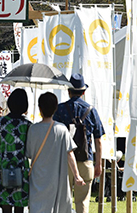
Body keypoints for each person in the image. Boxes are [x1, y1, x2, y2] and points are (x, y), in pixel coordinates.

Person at [53, 73, 105, 213]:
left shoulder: (59, 109)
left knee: (64, 202)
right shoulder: (91, 110)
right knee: (82, 202)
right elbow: (98, 139)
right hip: (85, 160)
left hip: (64, 161)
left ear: (68, 91)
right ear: (83, 92)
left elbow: (54, 136)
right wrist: (98, 164)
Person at [26, 92, 85, 212]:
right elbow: (70, 154)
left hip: (37, 180)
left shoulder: (33, 129)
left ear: (40, 108)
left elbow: (29, 154)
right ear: (55, 108)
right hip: (56, 180)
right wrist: (77, 175)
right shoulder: (62, 129)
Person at [0, 89, 32, 213]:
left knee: (5, 204)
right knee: (19, 205)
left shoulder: (1, 122)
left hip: (5, 167)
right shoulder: (28, 124)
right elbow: (30, 149)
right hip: (22, 169)